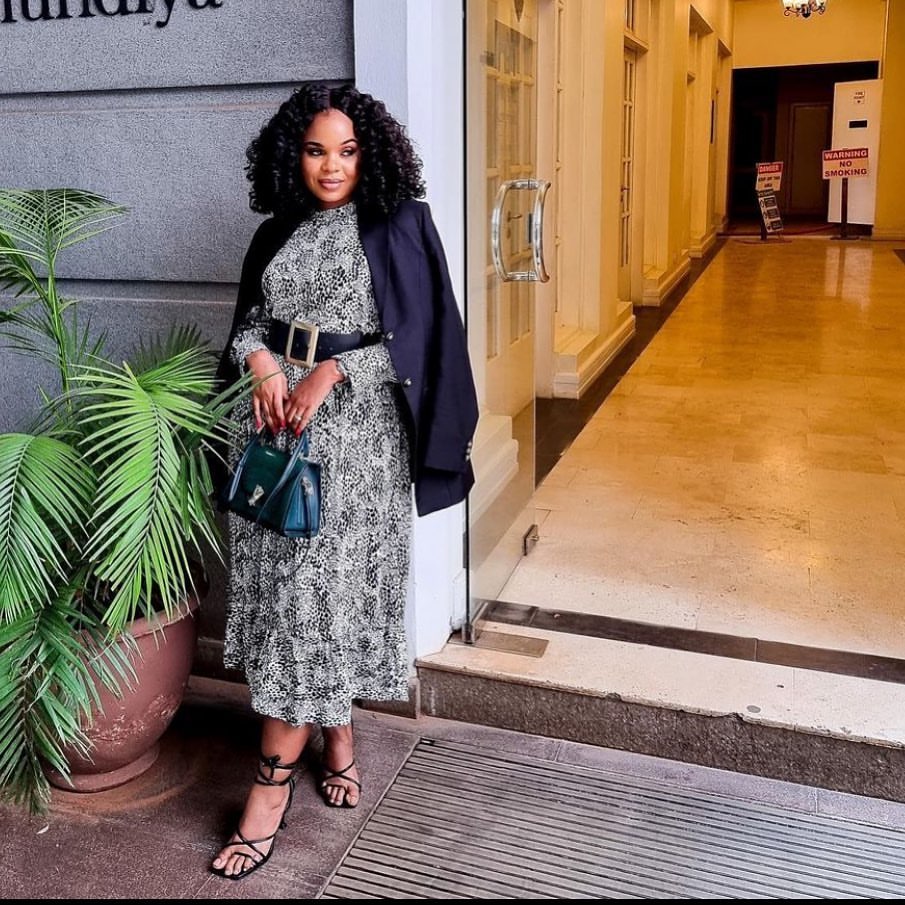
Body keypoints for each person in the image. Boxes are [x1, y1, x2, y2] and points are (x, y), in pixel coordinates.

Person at [210, 83, 479, 880]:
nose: (332, 166)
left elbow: (424, 337)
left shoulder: (402, 224)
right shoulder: (275, 231)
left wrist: (332, 369)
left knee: (315, 603)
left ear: (373, 155)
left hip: (357, 447)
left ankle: (267, 795)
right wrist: (262, 361)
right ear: (292, 156)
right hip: (274, 438)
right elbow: (248, 323)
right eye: (316, 150)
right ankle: (339, 735)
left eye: (349, 150)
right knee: (284, 600)